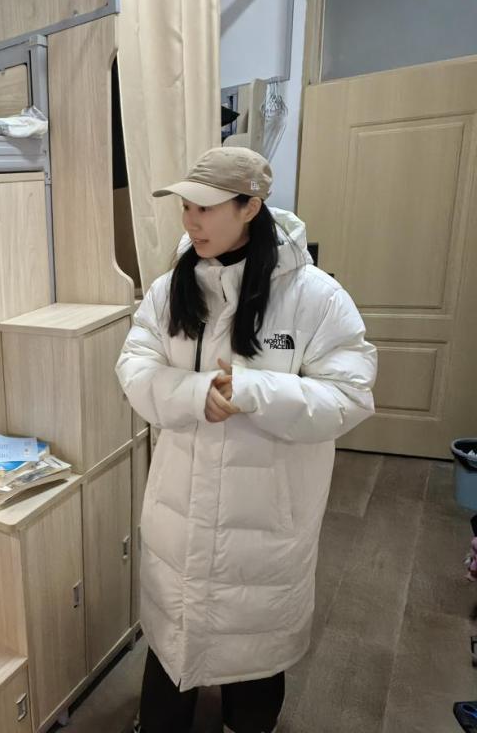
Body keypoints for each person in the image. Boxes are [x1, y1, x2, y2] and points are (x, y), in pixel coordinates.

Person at [116, 147, 377, 733]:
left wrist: (256, 390)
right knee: (173, 639)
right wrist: (194, 394)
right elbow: (134, 366)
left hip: (266, 518)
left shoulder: (315, 297)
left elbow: (351, 395)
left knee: (256, 646)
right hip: (179, 509)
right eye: (186, 206)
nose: (192, 221)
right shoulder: (170, 288)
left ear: (251, 207)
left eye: (207, 208)